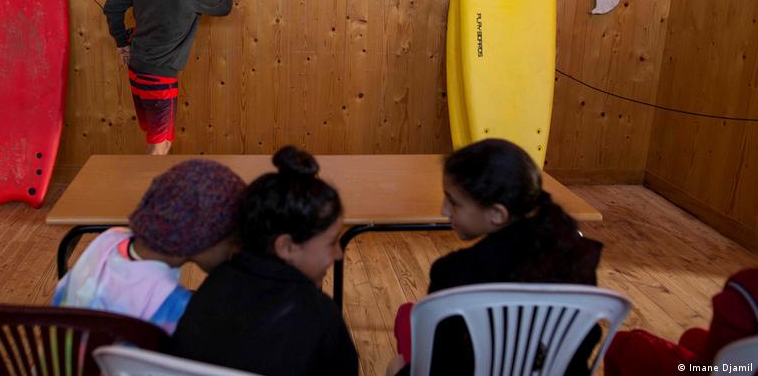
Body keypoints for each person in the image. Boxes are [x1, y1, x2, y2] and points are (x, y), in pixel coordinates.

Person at [388, 138, 603, 376]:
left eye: (454, 202)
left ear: (497, 214)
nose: (444, 210)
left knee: (407, 321)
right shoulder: (577, 254)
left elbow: (443, 365)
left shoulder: (454, 273)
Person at [170, 146, 359, 376]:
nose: (339, 254)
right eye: (331, 243)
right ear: (286, 246)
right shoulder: (321, 315)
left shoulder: (211, 288)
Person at [52, 159, 245, 334]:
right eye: (233, 241)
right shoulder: (173, 306)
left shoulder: (110, 238)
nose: (236, 250)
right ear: (200, 238)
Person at [103, 0, 234, 155]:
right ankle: (151, 191)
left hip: (136, 70)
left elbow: (112, 6)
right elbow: (224, 7)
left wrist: (121, 43)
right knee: (160, 145)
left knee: (154, 136)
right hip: (160, 79)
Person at [604, 268, 758, 376]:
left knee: (623, 343)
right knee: (692, 336)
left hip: (725, 369)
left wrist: (684, 365)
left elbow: (710, 367)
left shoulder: (747, 287)